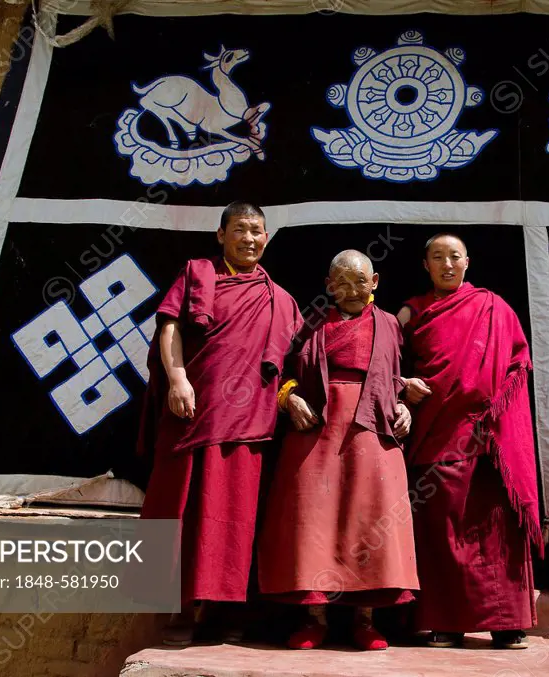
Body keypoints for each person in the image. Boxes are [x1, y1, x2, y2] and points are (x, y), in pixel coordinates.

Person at [137, 201, 302, 646]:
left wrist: (289, 397)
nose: (250, 239)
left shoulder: (280, 299)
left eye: (258, 231)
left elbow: (290, 365)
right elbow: (169, 329)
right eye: (241, 230)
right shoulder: (198, 275)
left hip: (249, 422)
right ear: (221, 234)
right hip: (193, 413)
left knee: (236, 517)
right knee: (186, 512)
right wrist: (177, 379)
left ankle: (229, 612)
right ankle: (181, 612)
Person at [259, 250, 419, 651]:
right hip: (317, 428)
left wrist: (403, 405)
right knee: (314, 520)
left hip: (371, 428)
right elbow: (277, 369)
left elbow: (403, 376)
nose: (351, 290)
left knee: (368, 521)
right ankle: (315, 619)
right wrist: (289, 398)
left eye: (359, 282)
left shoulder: (390, 326)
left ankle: (365, 620)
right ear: (329, 285)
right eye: (342, 283)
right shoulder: (309, 323)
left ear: (375, 281)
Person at [398, 233, 542, 650]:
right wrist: (403, 385)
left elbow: (518, 361)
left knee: (496, 531)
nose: (447, 264)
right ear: (425, 265)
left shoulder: (494, 307)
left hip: (486, 438)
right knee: (441, 530)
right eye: (437, 257)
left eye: (454, 257)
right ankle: (446, 622)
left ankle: (506, 623)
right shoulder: (413, 312)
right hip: (436, 432)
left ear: (468, 262)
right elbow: (388, 358)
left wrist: (497, 414)